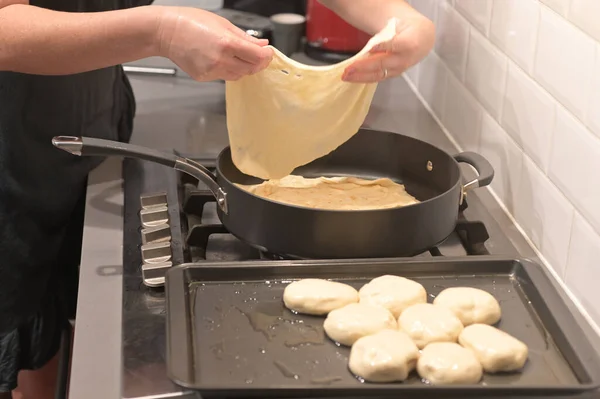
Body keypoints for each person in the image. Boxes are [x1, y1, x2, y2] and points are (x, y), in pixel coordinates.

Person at [0, 0, 434, 397]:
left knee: (56, 319)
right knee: (14, 310)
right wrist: (161, 33)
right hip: (8, 139)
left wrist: (398, 18)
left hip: (90, 113)